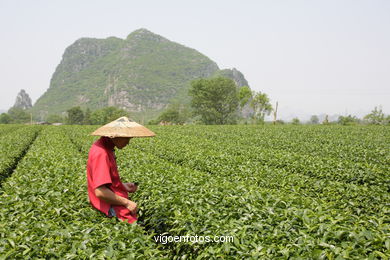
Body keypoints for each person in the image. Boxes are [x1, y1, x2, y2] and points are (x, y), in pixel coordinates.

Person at [86, 117, 155, 223]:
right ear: (114, 135)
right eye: (127, 138)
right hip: (109, 206)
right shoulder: (101, 153)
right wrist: (127, 203)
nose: (128, 142)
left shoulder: (107, 148)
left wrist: (122, 185)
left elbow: (106, 182)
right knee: (134, 230)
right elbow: (100, 191)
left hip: (111, 202)